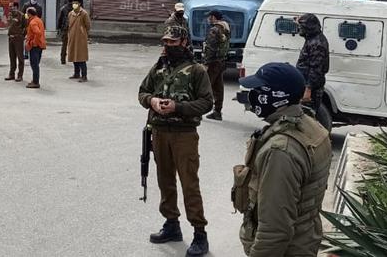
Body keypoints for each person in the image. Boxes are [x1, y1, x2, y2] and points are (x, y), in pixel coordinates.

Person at [235, 62, 332, 256]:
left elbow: (275, 230)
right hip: (304, 239)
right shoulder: (312, 127)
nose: (252, 95)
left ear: (279, 97)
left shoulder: (281, 151)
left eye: (258, 90)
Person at [138, 25, 213, 257]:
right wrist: (151, 101)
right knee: (165, 180)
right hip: (160, 133)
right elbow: (142, 91)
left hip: (184, 135)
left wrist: (178, 107)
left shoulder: (197, 70)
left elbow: (207, 102)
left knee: (189, 184)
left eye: (172, 42)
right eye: (166, 42)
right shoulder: (159, 67)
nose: (168, 46)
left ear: (183, 42)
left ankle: (200, 234)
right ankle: (172, 224)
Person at [295, 13, 330, 122]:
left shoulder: (317, 43)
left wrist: (308, 89)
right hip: (305, 83)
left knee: (307, 118)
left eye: (302, 27)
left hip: (311, 88)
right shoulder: (312, 39)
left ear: (309, 28)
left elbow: (316, 69)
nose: (300, 30)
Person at [203, 11, 231, 121]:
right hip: (221, 61)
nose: (208, 19)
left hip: (213, 62)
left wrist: (206, 63)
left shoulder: (214, 30)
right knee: (218, 88)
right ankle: (217, 111)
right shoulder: (226, 28)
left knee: (205, 86)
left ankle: (198, 110)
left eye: (209, 17)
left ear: (213, 17)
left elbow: (211, 47)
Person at [67, 0, 91, 82]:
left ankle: (84, 76)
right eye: (73, 3)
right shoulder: (70, 14)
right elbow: (68, 24)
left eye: (76, 3)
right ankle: (76, 73)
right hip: (72, 37)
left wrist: (83, 32)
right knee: (74, 56)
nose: (74, 5)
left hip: (81, 38)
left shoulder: (84, 13)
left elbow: (88, 25)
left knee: (81, 57)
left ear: (79, 4)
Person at [25, 7, 46, 89]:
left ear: (30, 14)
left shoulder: (33, 22)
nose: (26, 15)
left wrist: (33, 43)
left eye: (27, 13)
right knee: (36, 64)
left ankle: (36, 82)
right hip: (39, 45)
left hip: (35, 46)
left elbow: (38, 33)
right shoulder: (38, 20)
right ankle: (34, 80)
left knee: (34, 64)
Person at [5, 1, 25, 82]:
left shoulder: (22, 15)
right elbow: (8, 24)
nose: (10, 8)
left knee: (20, 57)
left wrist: (21, 36)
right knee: (12, 57)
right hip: (10, 38)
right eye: (9, 6)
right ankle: (11, 74)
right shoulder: (9, 15)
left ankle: (20, 75)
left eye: (11, 6)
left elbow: (25, 27)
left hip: (18, 39)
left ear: (16, 7)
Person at [58, 0, 74, 64]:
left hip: (65, 28)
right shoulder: (75, 8)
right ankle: (74, 59)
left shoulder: (63, 8)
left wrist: (59, 28)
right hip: (74, 28)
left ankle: (63, 59)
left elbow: (60, 20)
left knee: (64, 45)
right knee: (74, 44)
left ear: (66, 0)